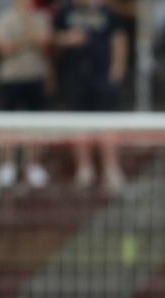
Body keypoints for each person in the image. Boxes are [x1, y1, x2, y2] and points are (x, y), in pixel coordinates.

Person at [54, 0, 128, 191]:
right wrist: (67, 39)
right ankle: (84, 168)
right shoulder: (65, 11)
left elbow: (119, 38)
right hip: (75, 75)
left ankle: (111, 168)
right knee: (79, 123)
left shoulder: (106, 12)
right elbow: (53, 38)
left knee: (107, 123)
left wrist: (117, 67)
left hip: (101, 75)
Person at [0, 0, 51, 188]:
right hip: (11, 78)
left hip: (35, 77)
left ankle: (33, 164)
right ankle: (7, 164)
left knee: (36, 124)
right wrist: (29, 39)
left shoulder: (40, 18)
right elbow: (4, 48)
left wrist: (24, 38)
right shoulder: (4, 19)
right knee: (7, 123)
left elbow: (45, 42)